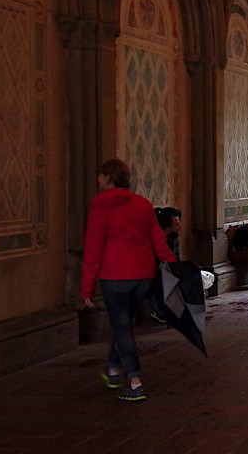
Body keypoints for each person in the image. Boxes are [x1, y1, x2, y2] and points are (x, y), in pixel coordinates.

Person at [81, 158, 177, 402]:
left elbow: (93, 249)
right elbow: (157, 239)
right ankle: (113, 368)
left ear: (105, 177)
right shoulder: (142, 204)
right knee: (122, 324)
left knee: (122, 326)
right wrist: (172, 265)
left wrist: (86, 287)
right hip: (143, 275)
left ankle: (134, 382)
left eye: (100, 175)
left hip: (115, 276)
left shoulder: (100, 207)